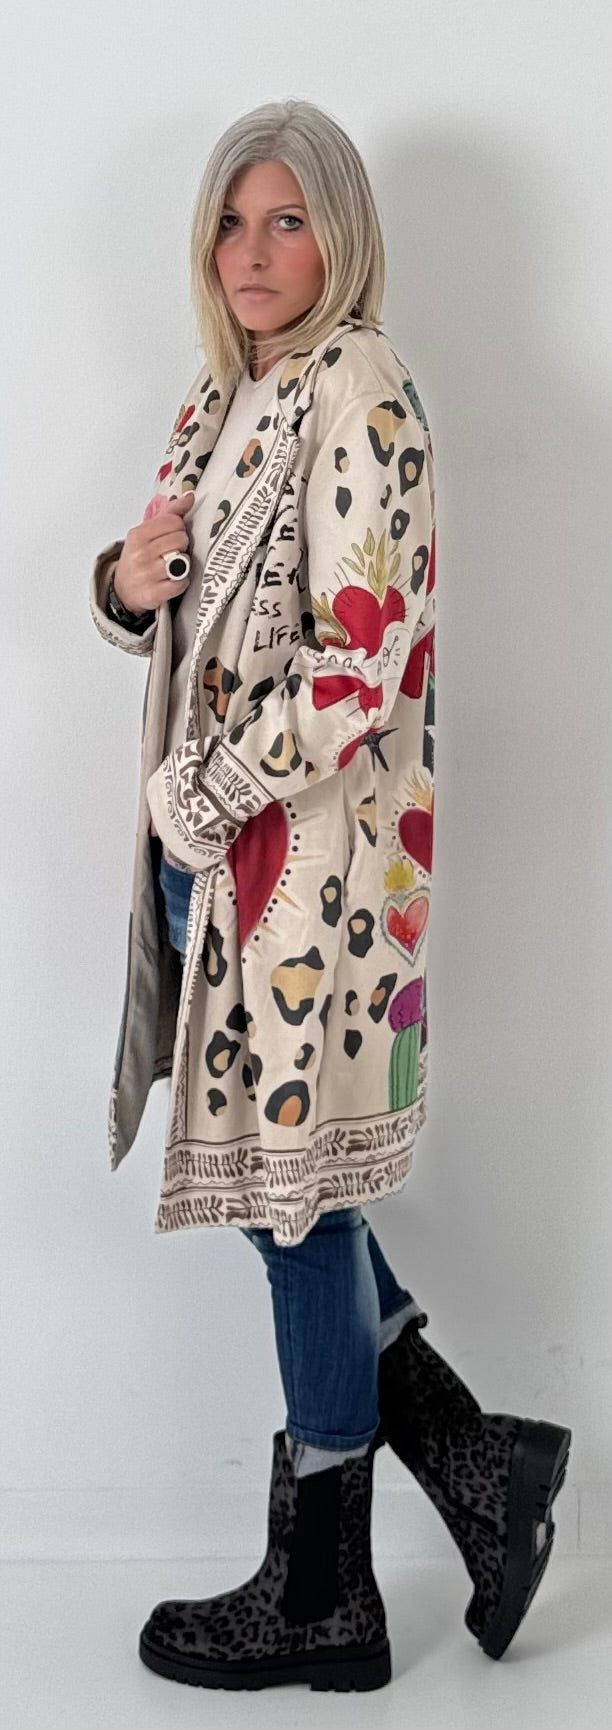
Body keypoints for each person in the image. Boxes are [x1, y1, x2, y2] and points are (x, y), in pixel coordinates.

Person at [90, 98, 572, 1694]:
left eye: (287, 219)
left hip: (303, 889)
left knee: (294, 1209)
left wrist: (201, 794)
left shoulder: (361, 388)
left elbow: (360, 666)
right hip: (216, 884)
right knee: (299, 1199)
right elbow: (185, 596)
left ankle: (328, 1591)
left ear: (342, 235)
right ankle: (481, 1468)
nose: (254, 249)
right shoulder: (226, 392)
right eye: (234, 220)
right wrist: (124, 583)